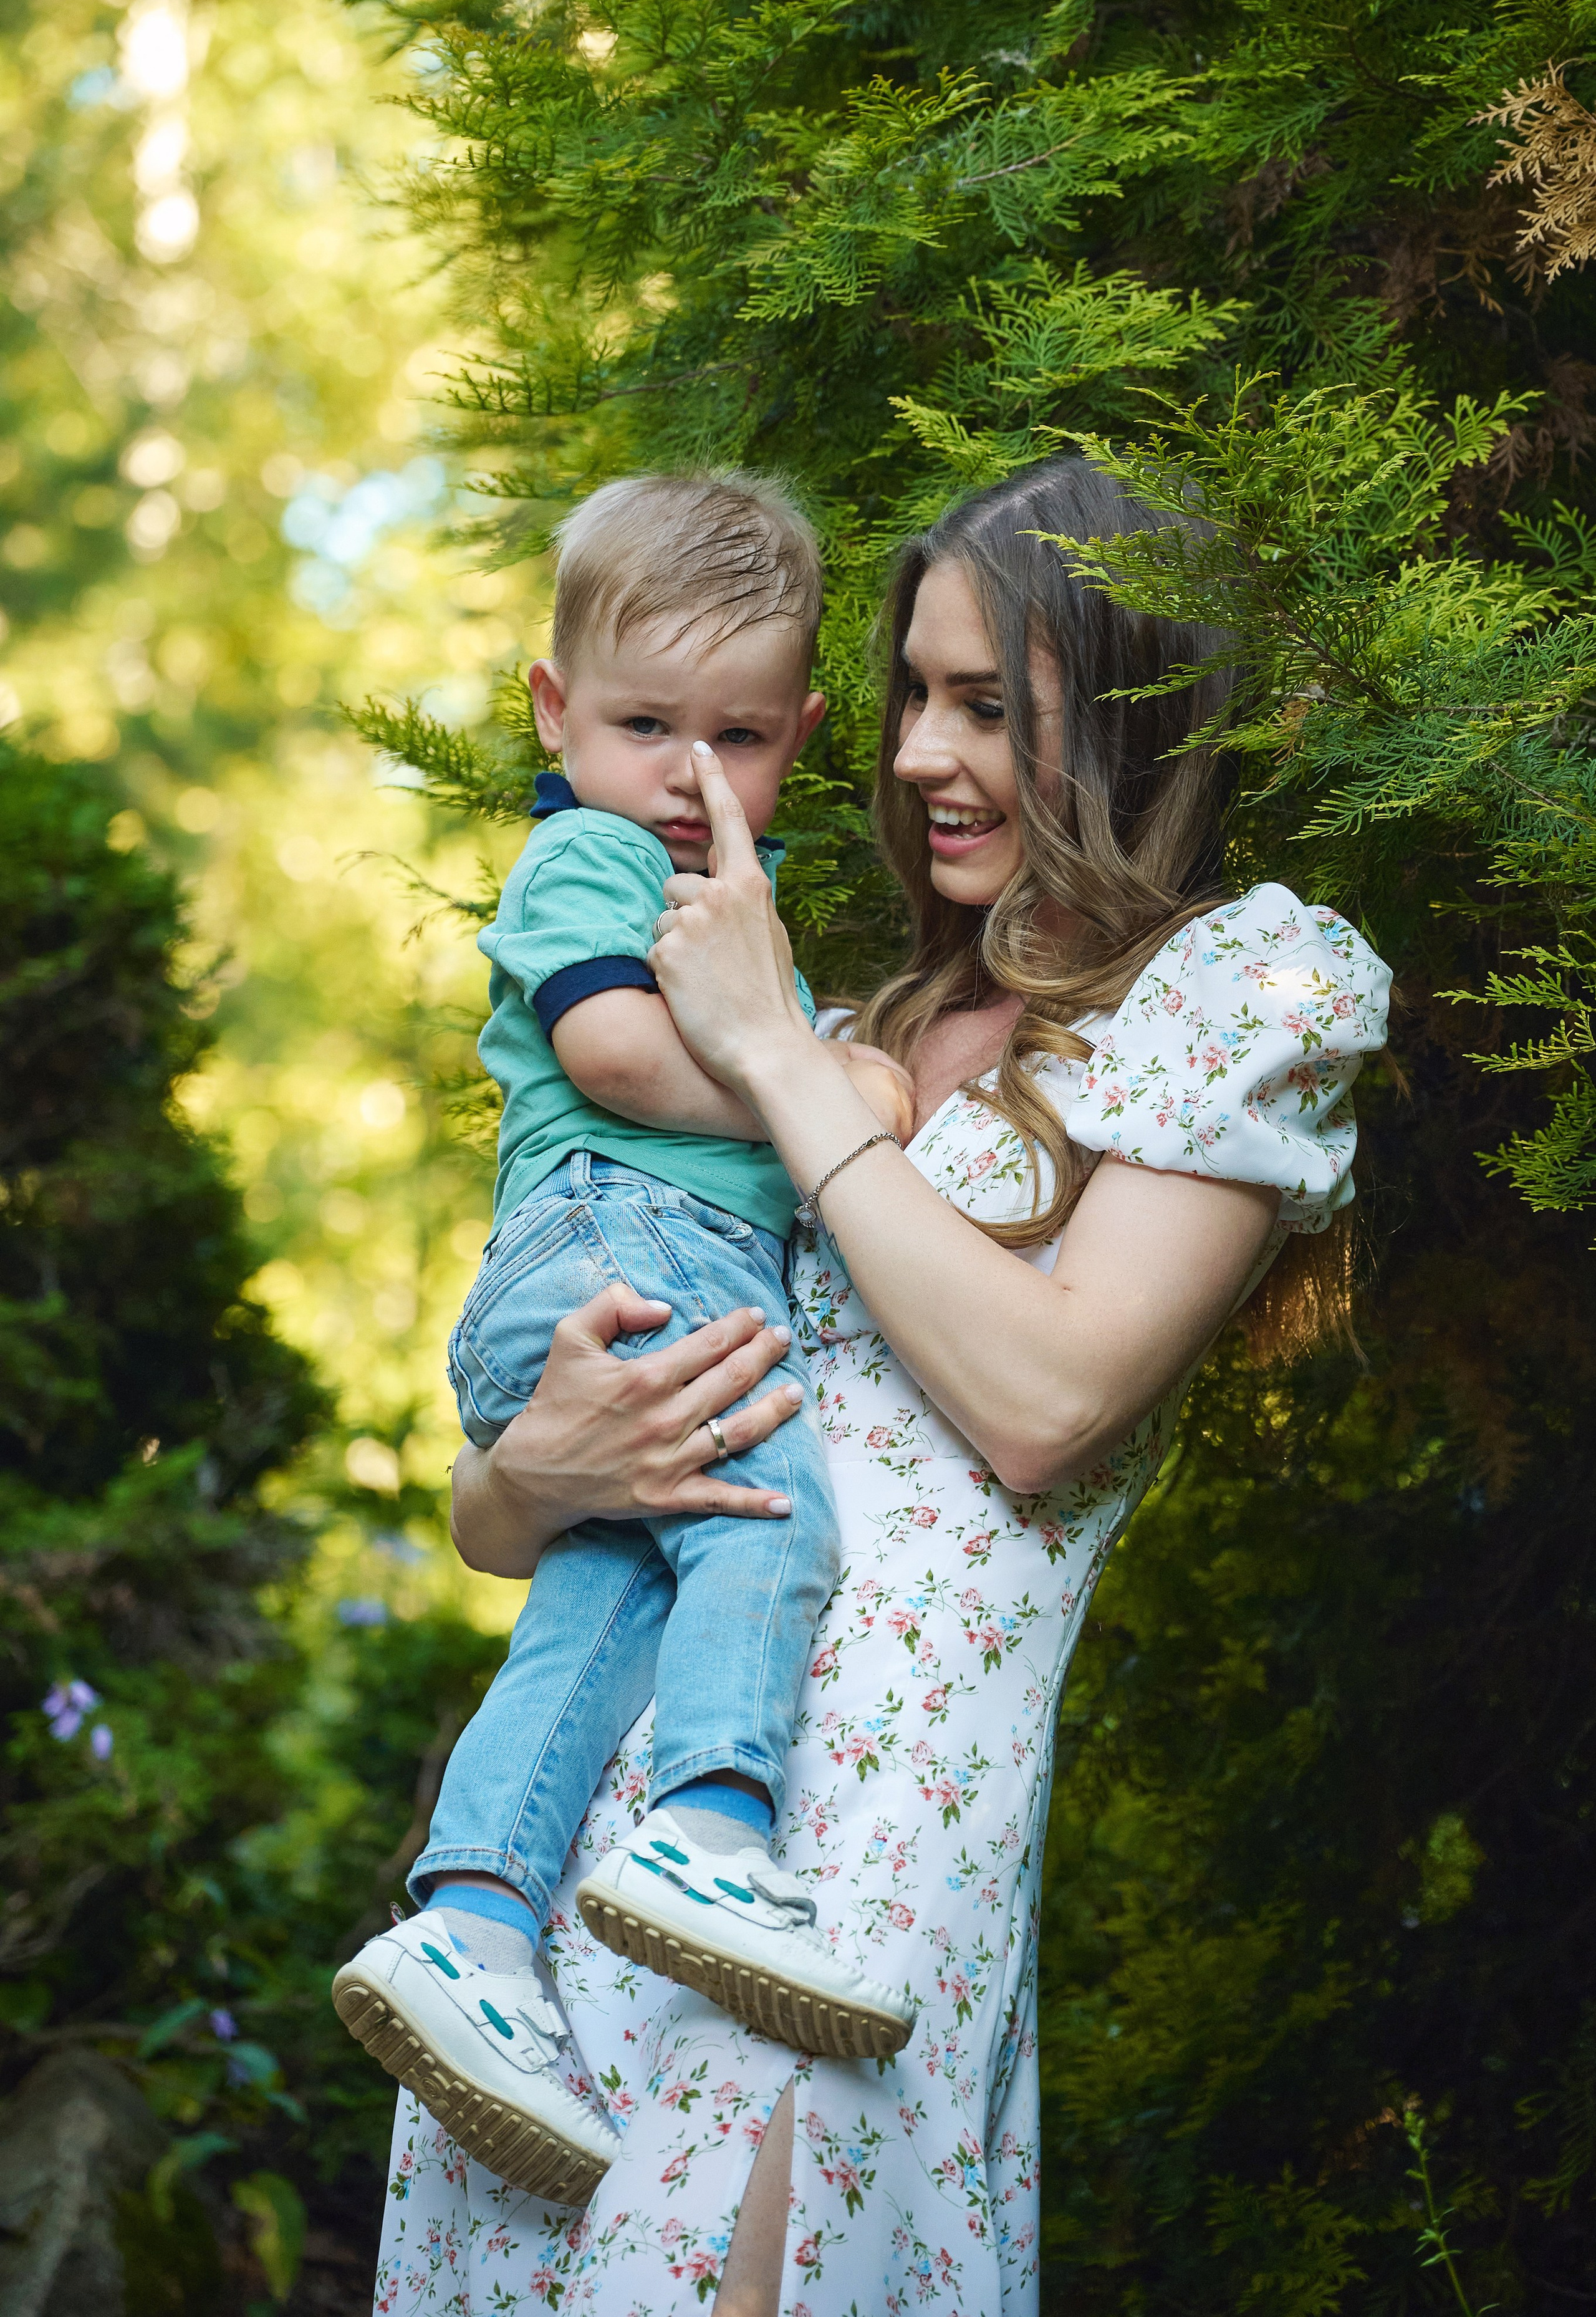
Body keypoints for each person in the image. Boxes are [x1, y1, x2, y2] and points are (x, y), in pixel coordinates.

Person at [372, 457, 1391, 2317]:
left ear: (1142, 717)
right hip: (613, 1833)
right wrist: (540, 1470)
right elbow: (498, 1518)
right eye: (917, 693)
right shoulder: (860, 1036)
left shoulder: (1240, 997)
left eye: (991, 706)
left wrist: (773, 1064)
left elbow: (1047, 1403)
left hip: (867, 1846)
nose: (925, 753)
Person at [335, 473, 920, 2209]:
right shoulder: (590, 854)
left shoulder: (722, 891)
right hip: (624, 1245)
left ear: (801, 737)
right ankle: (717, 1830)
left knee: (606, 1604)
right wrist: (818, 1093)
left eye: (735, 737)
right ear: (552, 712)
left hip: (595, 1280)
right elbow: (607, 1049)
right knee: (772, 1516)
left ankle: (472, 1925)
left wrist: (811, 1058)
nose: (688, 775)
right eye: (641, 722)